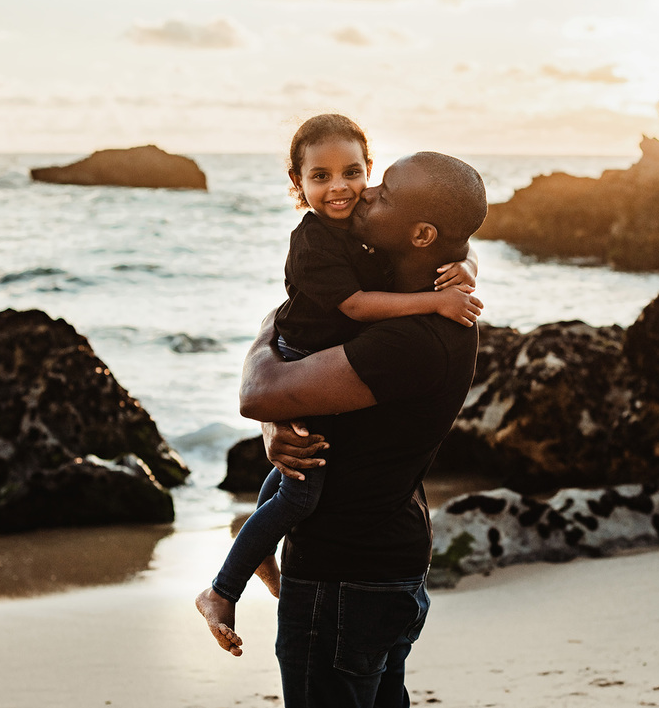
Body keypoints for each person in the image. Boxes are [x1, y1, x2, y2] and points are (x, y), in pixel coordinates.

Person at [196, 150, 488, 707]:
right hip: (391, 562)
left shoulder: (409, 341)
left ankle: (227, 581)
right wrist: (276, 428)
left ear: (422, 235)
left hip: (343, 576)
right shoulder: (431, 291)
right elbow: (281, 408)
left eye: (385, 191)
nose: (365, 192)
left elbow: (258, 393)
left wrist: (270, 326)